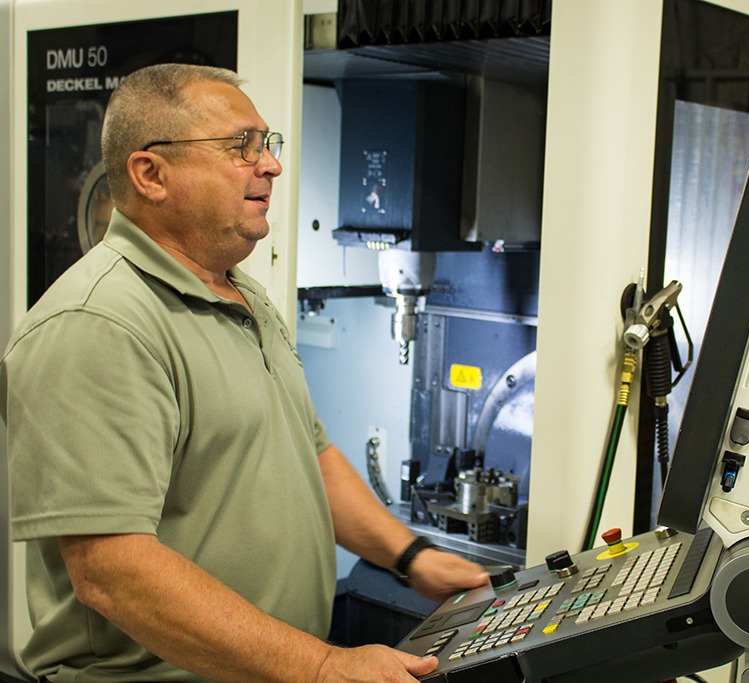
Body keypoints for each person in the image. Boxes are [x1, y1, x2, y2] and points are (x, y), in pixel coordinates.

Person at [0, 63, 489, 683]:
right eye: (241, 146)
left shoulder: (244, 296)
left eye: (267, 143)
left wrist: (411, 554)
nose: (271, 165)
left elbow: (309, 457)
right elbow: (112, 571)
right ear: (150, 174)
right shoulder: (98, 325)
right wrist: (319, 667)